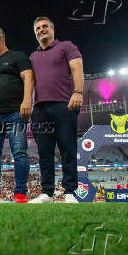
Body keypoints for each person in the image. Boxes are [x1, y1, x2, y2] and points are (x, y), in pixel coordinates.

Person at [28, 17, 84, 203]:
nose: (41, 30)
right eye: (37, 28)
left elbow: (77, 68)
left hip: (64, 104)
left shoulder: (66, 46)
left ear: (52, 29)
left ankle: (70, 191)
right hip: (40, 108)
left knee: (68, 148)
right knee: (44, 152)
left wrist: (78, 92)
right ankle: (47, 192)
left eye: (44, 26)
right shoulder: (33, 57)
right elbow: (30, 83)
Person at [0, 27, 34, 203]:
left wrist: (26, 101)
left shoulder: (18, 57)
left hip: (15, 113)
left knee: (19, 152)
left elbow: (28, 77)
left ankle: (20, 193)